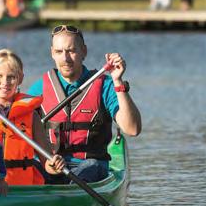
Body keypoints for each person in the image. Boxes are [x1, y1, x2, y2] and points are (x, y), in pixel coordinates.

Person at [27, 25, 142, 183]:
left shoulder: (105, 85)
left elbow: (133, 129)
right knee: (24, 166)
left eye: (71, 51)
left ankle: (70, 192)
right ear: (52, 53)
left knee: (90, 167)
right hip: (52, 167)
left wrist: (118, 81)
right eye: (59, 52)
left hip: (90, 167)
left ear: (84, 52)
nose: (65, 59)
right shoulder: (38, 89)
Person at [0, 49, 65, 185]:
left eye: (11, 77)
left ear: (20, 79)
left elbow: (47, 162)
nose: (5, 82)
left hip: (21, 188)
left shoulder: (32, 116)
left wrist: (54, 165)